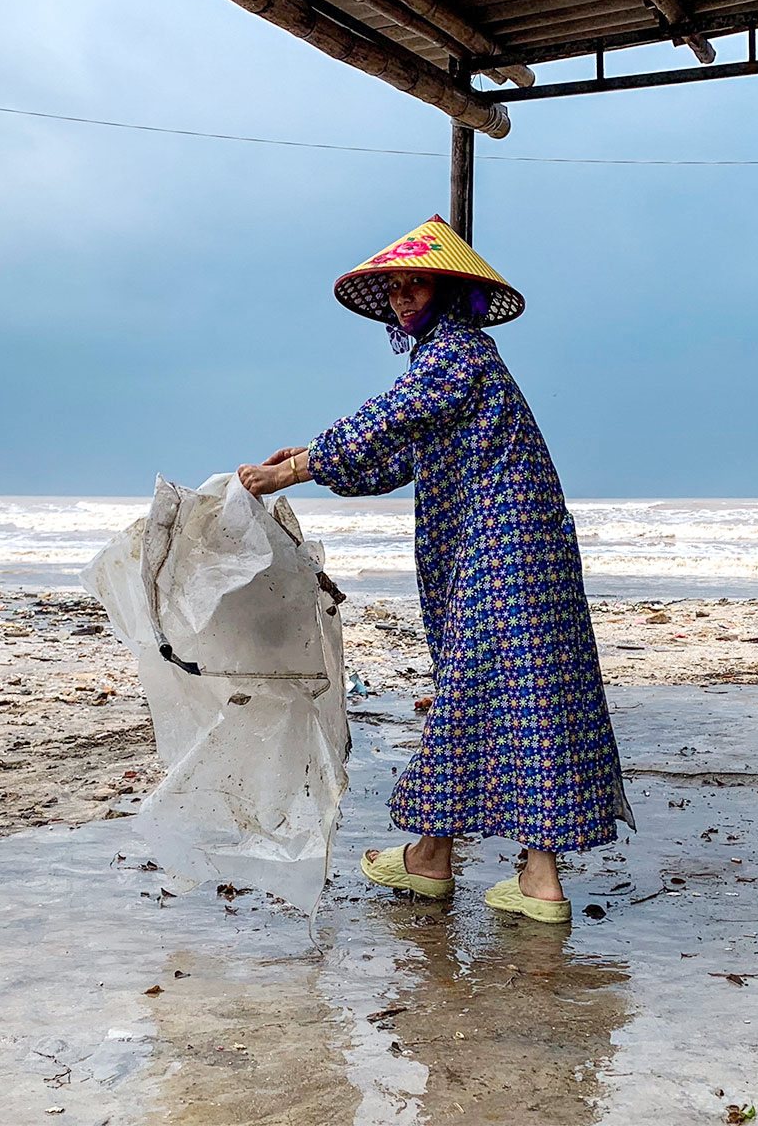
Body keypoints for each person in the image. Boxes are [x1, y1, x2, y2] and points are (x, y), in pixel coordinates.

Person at [237, 215, 633, 924]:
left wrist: (297, 469)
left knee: (477, 694)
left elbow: (386, 419)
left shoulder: (459, 355)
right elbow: (391, 457)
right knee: (520, 699)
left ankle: (436, 859)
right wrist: (310, 457)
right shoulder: (445, 368)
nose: (402, 298)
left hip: (503, 547)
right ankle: (522, 876)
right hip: (509, 548)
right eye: (393, 289)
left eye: (415, 283)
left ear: (450, 292)